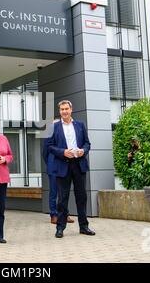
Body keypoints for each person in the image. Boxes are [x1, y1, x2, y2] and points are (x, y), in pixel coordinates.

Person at [45, 100, 96, 238]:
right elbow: (49, 146)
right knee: (62, 198)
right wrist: (62, 152)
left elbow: (87, 143)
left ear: (71, 109)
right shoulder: (54, 127)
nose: (64, 111)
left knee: (81, 197)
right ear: (60, 111)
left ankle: (84, 226)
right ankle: (60, 228)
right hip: (62, 165)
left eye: (66, 109)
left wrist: (83, 151)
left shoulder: (80, 125)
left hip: (78, 164)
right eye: (62, 109)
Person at [42, 119, 75, 225]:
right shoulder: (49, 135)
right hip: (53, 167)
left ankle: (64, 214)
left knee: (64, 192)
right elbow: (45, 152)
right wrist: (50, 164)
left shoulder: (65, 134)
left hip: (64, 166)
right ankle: (54, 215)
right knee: (54, 192)